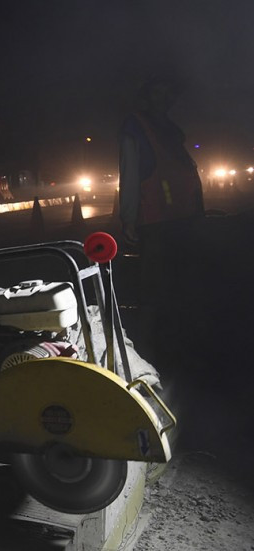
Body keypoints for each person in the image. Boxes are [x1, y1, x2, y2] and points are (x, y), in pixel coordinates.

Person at [117, 76, 203, 378]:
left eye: (168, 94)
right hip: (156, 224)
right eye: (157, 93)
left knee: (178, 289)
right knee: (152, 292)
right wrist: (128, 218)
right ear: (148, 96)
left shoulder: (170, 130)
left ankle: (177, 350)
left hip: (183, 221)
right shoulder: (136, 128)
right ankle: (146, 359)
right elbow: (129, 174)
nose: (163, 99)